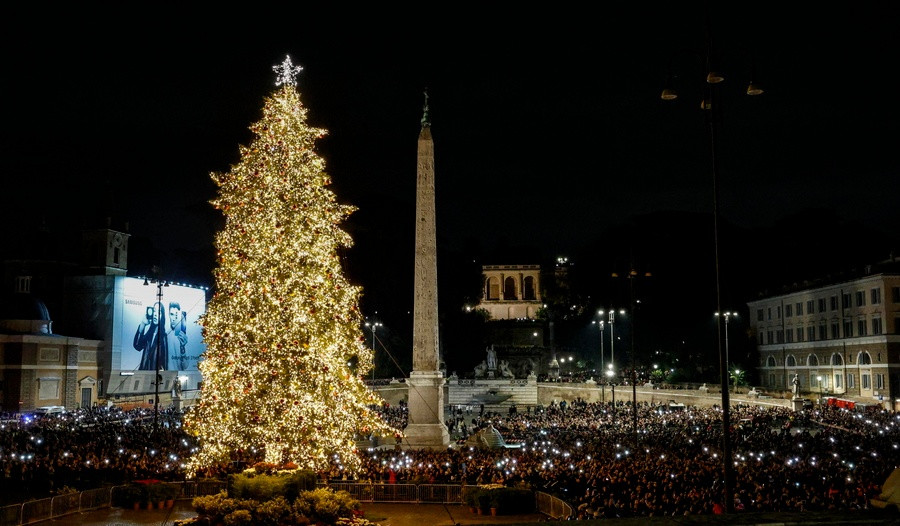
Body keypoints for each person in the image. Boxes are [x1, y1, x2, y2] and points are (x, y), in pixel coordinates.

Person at [133, 301, 168, 371]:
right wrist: (143, 324)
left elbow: (165, 361)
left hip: (155, 376)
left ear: (162, 316)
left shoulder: (163, 337)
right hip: (142, 373)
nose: (155, 314)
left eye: (159, 312)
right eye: (154, 311)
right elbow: (137, 346)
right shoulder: (150, 334)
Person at [166, 301, 188, 370]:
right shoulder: (165, 336)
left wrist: (182, 348)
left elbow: (185, 366)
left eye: (176, 315)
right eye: (172, 314)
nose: (174, 318)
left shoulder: (182, 336)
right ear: (169, 315)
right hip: (165, 375)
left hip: (180, 375)